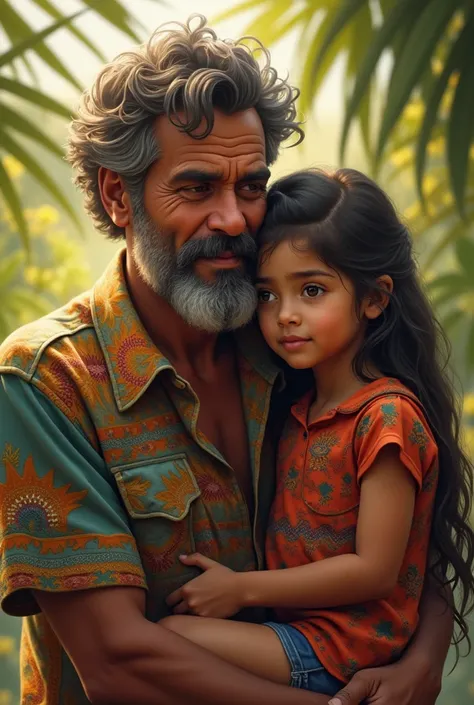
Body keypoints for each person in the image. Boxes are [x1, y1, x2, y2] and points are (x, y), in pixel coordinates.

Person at [0, 16, 456, 705]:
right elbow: (119, 664)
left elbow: (404, 535)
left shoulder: (285, 337)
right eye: (197, 187)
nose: (236, 219)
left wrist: (424, 653)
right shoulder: (47, 381)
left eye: (250, 186)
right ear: (118, 196)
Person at [159, 168, 474, 699]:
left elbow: (375, 571)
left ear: (374, 299)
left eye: (311, 290)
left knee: (171, 641)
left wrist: (239, 590)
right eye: (265, 295)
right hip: (303, 634)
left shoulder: (386, 418)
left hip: (344, 645)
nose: (285, 316)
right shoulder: (299, 407)